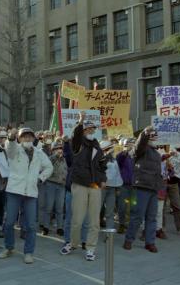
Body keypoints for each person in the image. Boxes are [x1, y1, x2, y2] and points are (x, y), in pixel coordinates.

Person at [0, 127, 53, 264]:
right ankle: (9, 247)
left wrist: (41, 178)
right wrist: (11, 138)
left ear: (34, 139)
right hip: (14, 191)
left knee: (31, 225)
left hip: (31, 192)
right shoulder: (15, 149)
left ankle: (28, 252)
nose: (27, 139)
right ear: (20, 139)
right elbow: (9, 149)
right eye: (24, 136)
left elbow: (49, 167)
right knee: (9, 222)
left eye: (30, 136)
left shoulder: (39, 153)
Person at [60, 111, 106, 261]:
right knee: (77, 219)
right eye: (88, 129)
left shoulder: (97, 145)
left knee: (94, 221)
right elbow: (76, 135)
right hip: (79, 183)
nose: (91, 131)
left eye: (93, 129)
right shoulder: (77, 144)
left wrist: (103, 179)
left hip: (94, 185)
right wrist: (80, 121)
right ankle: (73, 243)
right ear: (83, 131)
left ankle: (91, 248)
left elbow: (101, 164)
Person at [123, 126, 163, 253]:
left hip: (153, 189)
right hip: (140, 187)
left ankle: (150, 242)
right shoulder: (140, 150)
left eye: (155, 136)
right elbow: (138, 146)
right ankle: (129, 239)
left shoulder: (157, 154)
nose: (154, 138)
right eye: (152, 136)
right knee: (137, 216)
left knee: (152, 217)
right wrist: (144, 133)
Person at [42, 141, 67, 236]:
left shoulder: (64, 160)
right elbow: (47, 169)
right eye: (57, 148)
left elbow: (66, 171)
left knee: (60, 208)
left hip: (61, 186)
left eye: (61, 148)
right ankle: (46, 227)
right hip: (51, 184)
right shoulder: (50, 159)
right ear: (53, 150)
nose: (59, 150)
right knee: (48, 207)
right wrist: (56, 157)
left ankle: (60, 228)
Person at [100, 140, 123, 230]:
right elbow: (99, 171)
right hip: (101, 188)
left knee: (109, 212)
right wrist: (105, 157)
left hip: (112, 189)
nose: (112, 149)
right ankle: (91, 233)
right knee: (96, 210)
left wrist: (118, 188)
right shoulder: (100, 158)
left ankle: (109, 235)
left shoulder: (114, 159)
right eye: (110, 148)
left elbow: (117, 173)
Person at [116, 138, 135, 234]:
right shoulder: (122, 156)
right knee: (122, 206)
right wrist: (125, 151)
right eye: (129, 144)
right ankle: (121, 224)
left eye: (133, 144)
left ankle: (128, 224)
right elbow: (119, 159)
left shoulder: (135, 156)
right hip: (123, 186)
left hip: (134, 186)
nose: (131, 146)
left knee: (131, 206)